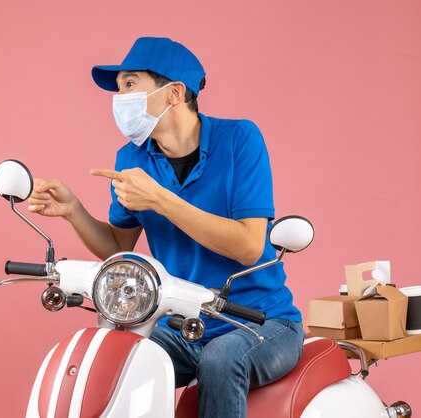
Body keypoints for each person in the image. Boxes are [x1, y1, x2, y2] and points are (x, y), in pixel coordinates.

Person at [28, 36, 305, 418]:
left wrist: (160, 199)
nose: (119, 98)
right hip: (182, 322)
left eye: (130, 85)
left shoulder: (240, 140)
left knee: (221, 359)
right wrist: (73, 210)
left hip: (261, 322)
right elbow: (117, 247)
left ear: (174, 93)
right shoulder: (131, 159)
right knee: (115, 353)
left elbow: (248, 246)